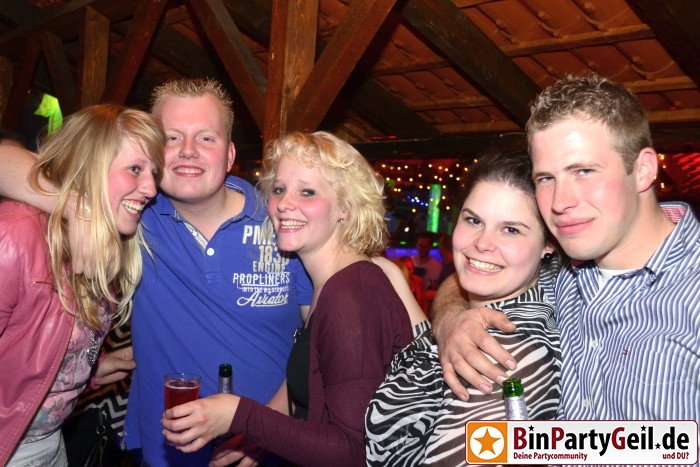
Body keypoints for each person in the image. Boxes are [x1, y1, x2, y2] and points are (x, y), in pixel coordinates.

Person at [0, 79, 426, 467]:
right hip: (164, 454)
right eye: (172, 138)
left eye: (206, 137)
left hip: (272, 453)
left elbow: (314, 345)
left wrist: (261, 428)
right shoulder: (135, 216)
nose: (188, 150)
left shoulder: (282, 223)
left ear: (229, 155)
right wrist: (77, 206)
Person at [433, 74, 700, 428]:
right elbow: (468, 275)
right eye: (546, 178)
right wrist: (452, 320)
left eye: (584, 171)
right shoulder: (563, 272)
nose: (559, 202)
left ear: (643, 170)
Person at [161, 131, 414, 467]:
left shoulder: (349, 296)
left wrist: (238, 414)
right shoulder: (329, 283)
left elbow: (353, 452)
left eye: (307, 192)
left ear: (345, 208)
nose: (283, 203)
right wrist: (260, 433)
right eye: (279, 189)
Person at [366, 150, 561, 466]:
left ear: (549, 244)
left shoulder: (501, 353)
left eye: (511, 229)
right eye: (474, 220)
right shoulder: (483, 312)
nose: (482, 243)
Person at [0, 104, 164, 466]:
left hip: (50, 445)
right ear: (90, 165)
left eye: (154, 172)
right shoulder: (15, 235)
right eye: (135, 169)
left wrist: (88, 368)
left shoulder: (106, 247)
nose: (151, 188)